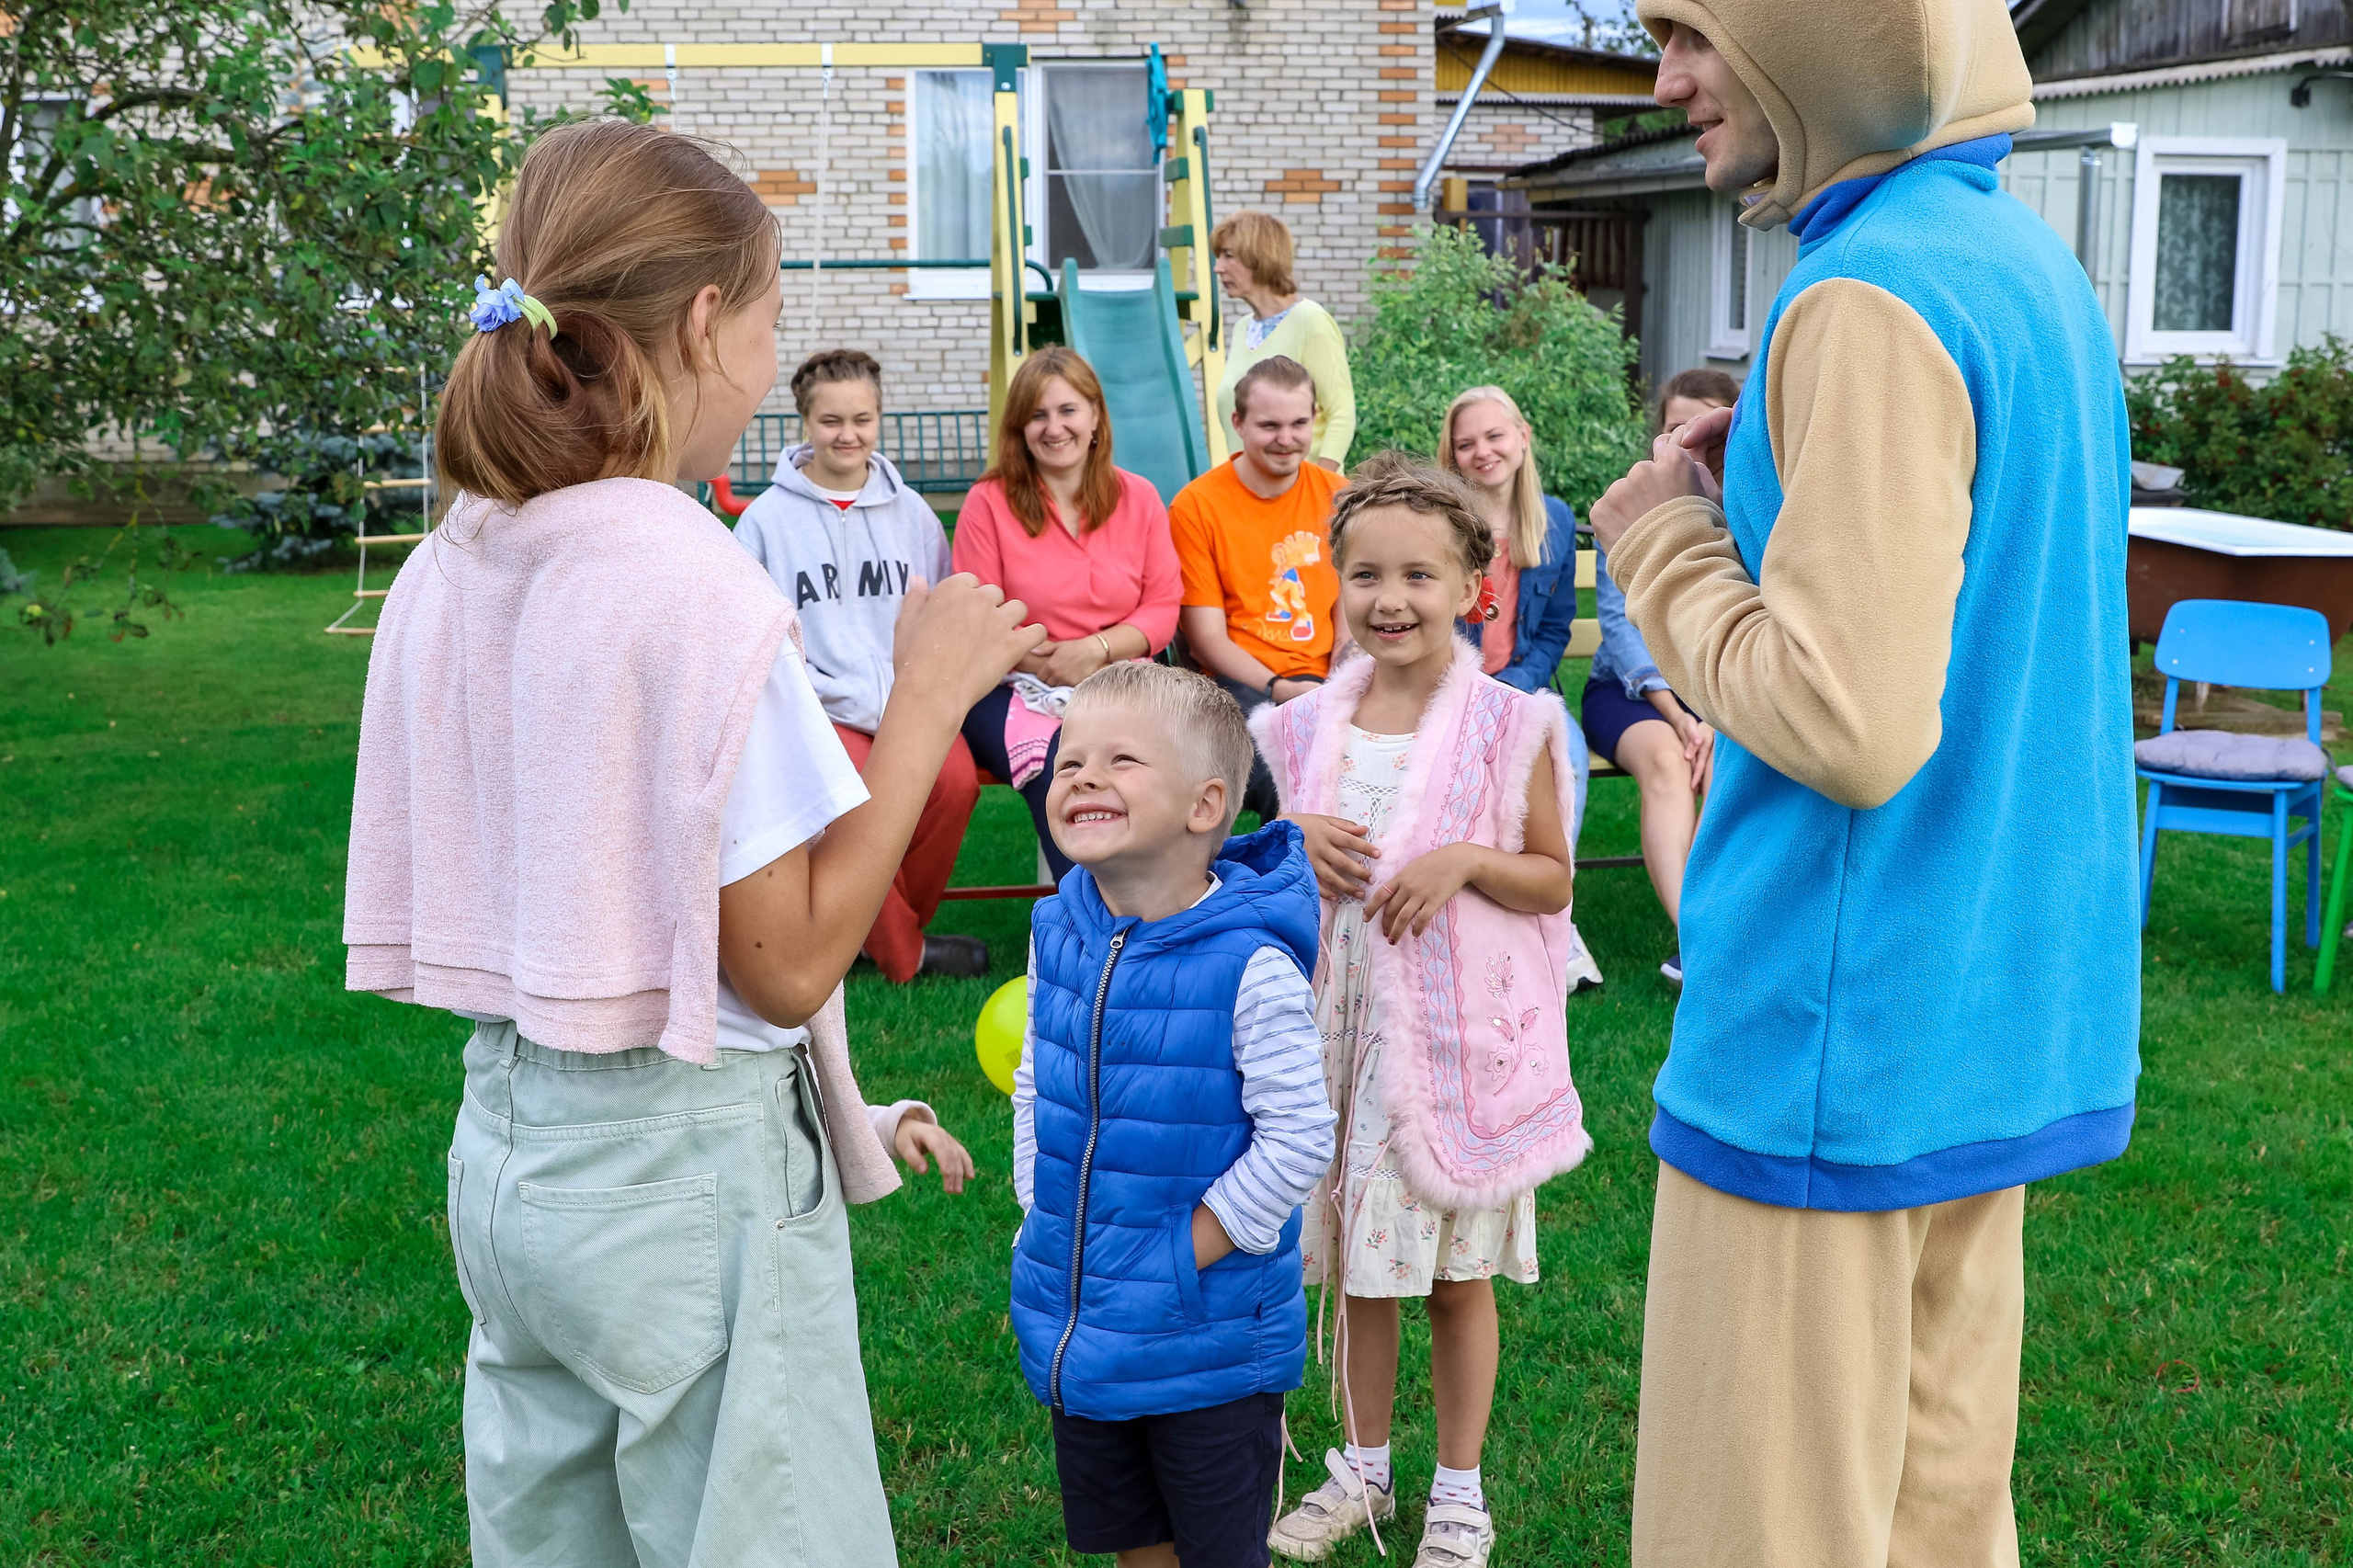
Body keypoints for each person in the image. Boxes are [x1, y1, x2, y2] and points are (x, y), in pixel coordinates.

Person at [344, 119, 1039, 1566]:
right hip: (683, 1175)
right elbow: (784, 964)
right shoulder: (690, 576)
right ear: (708, 323)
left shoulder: (458, 552)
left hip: (510, 1151)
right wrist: (924, 704)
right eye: (771, 321)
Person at [1590, 6, 2140, 1564]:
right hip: (1985, 1021)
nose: (1664, 82)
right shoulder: (2017, 268)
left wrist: (1665, 540)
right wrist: (1758, 485)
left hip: (1829, 1039)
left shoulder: (1860, 297)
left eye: (1696, 34)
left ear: (1818, 40)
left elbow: (1847, 719)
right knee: (1936, 1529)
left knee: (1751, 1536)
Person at [1256, 457, 1599, 1568]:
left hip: (1449, 1049)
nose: (1389, 597)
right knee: (1361, 1262)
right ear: (1335, 586)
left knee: (1453, 1274)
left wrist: (1462, 857)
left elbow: (1550, 877)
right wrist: (1288, 838)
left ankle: (1459, 1488)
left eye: (1417, 573)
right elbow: (1252, 869)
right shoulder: (1303, 728)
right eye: (1364, 575)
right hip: (1337, 1039)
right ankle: (1361, 1465)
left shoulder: (1513, 726)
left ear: (1470, 586)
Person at [1008, 662, 1336, 1568]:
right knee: (1133, 1542)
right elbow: (1038, 1074)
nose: (1082, 775)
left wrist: (1187, 1246)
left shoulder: (1248, 964)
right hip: (1084, 1317)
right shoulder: (1058, 930)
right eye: (1070, 758)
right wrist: (1040, 1205)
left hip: (1209, 1336)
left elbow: (1300, 1133)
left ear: (1205, 806)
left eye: (1121, 759)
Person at [733, 347, 986, 981]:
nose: (848, 435)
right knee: (848, 796)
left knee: (954, 783)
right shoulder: (767, 521)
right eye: (831, 421)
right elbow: (748, 623)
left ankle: (867, 935)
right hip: (818, 706)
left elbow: (941, 608)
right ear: (804, 423)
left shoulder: (914, 516)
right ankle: (906, 954)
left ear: (879, 419)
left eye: (863, 420)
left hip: (907, 699)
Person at [954, 346, 1183, 882]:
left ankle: (1159, 906)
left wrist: (1095, 650)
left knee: (1152, 755)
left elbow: (1162, 607)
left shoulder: (1139, 497)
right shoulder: (989, 502)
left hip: (1121, 674)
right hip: (1011, 681)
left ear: (1096, 416)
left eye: (1067, 410)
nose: (1054, 428)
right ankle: (1088, 920)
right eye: (1037, 415)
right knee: (1074, 762)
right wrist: (1046, 663)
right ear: (1019, 428)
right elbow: (979, 613)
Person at [1583, 369, 1733, 987]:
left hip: (1720, 696)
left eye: (1698, 427)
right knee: (1672, 763)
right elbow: (1620, 633)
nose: (1684, 441)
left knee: (1729, 766)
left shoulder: (1751, 509)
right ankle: (1696, 939)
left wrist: (1708, 719)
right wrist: (1682, 716)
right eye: (1673, 427)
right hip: (1630, 696)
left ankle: (1727, 926)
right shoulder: (1632, 506)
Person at [1168, 356, 1348, 820]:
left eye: (1299, 424)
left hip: (1332, 676)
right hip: (1241, 684)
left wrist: (1342, 676)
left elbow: (1351, 605)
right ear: (1238, 423)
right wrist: (1281, 687)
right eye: (1269, 425)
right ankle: (1295, 889)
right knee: (1287, 774)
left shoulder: (1339, 496)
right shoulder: (1198, 505)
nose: (1286, 440)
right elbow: (1207, 639)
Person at [1437, 385, 1597, 846]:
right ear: (1453, 456)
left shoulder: (1555, 521)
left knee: (1566, 760)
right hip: (1447, 689)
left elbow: (1552, 629)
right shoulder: (1441, 522)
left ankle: (1551, 902)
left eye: (1495, 436)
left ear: (1522, 436)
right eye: (1466, 445)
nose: (1482, 452)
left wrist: (1516, 685)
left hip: (1523, 687)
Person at [1211, 210, 1357, 470]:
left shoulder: (1310, 321)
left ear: (1260, 258)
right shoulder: (1243, 327)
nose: (1218, 267)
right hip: (1249, 494)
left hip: (1303, 498)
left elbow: (1341, 412)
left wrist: (1323, 489)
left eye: (1228, 256)